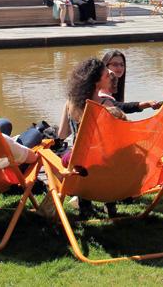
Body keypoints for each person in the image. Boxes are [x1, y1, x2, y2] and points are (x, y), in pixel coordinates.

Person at [57, 58, 116, 218]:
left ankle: (85, 206)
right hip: (105, 163)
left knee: (77, 157)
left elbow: (62, 134)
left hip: (79, 163)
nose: (110, 76)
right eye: (106, 75)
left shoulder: (71, 103)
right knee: (103, 156)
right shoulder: (107, 104)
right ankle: (110, 205)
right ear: (97, 82)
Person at [99, 50, 163, 114]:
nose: (119, 68)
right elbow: (120, 107)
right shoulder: (100, 92)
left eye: (122, 65)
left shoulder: (114, 90)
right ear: (105, 67)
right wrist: (146, 104)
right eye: (115, 64)